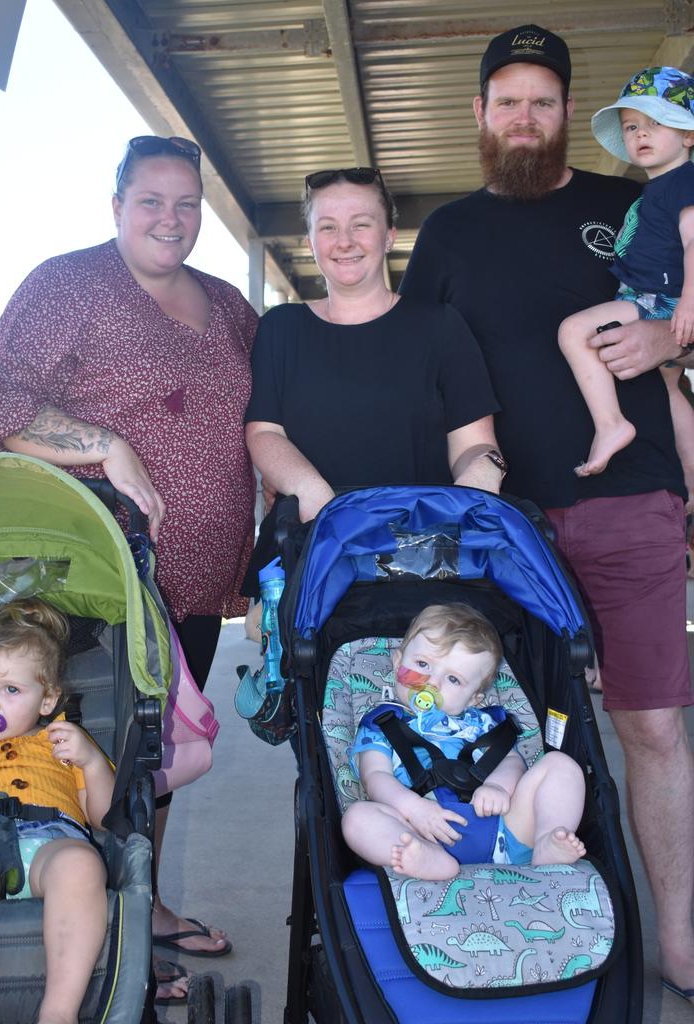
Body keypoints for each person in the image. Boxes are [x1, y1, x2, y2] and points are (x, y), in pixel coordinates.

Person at [400, 23, 694, 1004]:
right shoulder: (447, 233)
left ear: (571, 114)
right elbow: (423, 379)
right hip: (504, 527)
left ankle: (679, 942)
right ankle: (527, 938)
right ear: (479, 115)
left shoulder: (636, 203)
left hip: (628, 501)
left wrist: (666, 340)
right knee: (516, 733)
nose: (525, 119)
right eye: (508, 102)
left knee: (651, 728)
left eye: (544, 101)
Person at [0, 136, 255, 996]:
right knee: (92, 751)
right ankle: (88, 937)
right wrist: (106, 443)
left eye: (186, 203)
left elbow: (260, 417)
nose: (171, 219)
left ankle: (148, 907)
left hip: (199, 575)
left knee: (159, 758)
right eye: (151, 201)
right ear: (117, 204)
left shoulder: (231, 304)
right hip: (97, 572)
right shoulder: (69, 284)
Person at [244, 165, 508, 597]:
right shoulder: (281, 328)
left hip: (425, 557)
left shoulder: (440, 325)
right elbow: (264, 431)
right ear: (310, 241)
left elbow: (474, 442)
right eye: (327, 227)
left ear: (388, 235)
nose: (344, 241)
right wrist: (324, 506)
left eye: (361, 225)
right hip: (311, 553)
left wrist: (480, 480)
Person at [0, 598, 115, 1024]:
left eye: (10, 690)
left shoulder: (64, 743)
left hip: (48, 844)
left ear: (47, 700)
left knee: (82, 864)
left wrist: (91, 762)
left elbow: (104, 820)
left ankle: (58, 1012)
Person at [342, 604, 586, 882]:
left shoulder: (482, 724)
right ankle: (430, 860)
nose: (432, 684)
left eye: (453, 679)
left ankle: (546, 841)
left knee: (561, 766)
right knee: (357, 818)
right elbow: (375, 778)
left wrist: (498, 786)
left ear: (474, 699)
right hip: (421, 831)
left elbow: (510, 760)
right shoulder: (381, 725)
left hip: (505, 832)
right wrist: (414, 810)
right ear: (398, 662)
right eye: (423, 665)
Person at [558, 66, 694, 476]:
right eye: (632, 126)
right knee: (669, 388)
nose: (641, 134)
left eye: (656, 123)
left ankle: (611, 424)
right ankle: (690, 474)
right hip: (658, 296)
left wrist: (689, 300)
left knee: (573, 332)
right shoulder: (660, 187)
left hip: (657, 298)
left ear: (689, 135)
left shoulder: (683, 183)